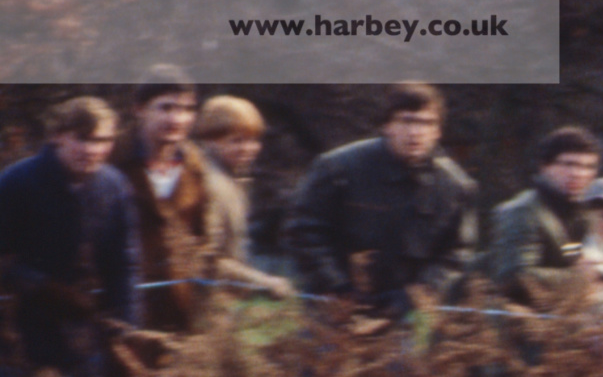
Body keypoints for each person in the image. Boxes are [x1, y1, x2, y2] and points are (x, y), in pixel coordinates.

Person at [0, 97, 139, 377]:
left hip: (80, 324)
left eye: (102, 140)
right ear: (57, 136)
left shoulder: (113, 186)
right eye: (82, 138)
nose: (92, 150)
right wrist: (37, 285)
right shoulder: (18, 182)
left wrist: (125, 324)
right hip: (18, 322)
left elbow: (123, 263)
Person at [285, 82, 478, 331]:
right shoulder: (338, 169)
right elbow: (303, 230)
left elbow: (457, 254)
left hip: (400, 316)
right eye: (406, 121)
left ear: (438, 131)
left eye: (426, 123)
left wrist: (416, 294)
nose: (415, 132)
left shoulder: (454, 187)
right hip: (332, 308)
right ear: (387, 125)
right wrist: (337, 286)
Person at [115, 66, 213, 337]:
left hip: (180, 308)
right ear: (139, 109)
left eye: (187, 109)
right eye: (166, 108)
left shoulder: (195, 163)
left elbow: (203, 237)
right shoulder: (112, 159)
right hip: (125, 306)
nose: (177, 119)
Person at [193, 95, 296, 302]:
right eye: (236, 141)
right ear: (209, 141)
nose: (248, 149)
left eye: (253, 140)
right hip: (203, 301)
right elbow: (208, 259)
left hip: (223, 299)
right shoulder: (209, 184)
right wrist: (262, 281)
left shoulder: (233, 177)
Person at [486, 126, 602, 310]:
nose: (578, 174)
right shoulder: (522, 211)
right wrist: (577, 278)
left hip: (555, 315)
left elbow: (571, 257)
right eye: (569, 164)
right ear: (545, 166)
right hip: (511, 317)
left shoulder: (580, 216)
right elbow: (513, 277)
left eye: (588, 167)